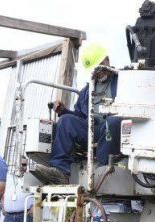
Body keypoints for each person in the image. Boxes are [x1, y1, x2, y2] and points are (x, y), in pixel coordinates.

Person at [31, 43, 121, 185]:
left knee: (113, 122)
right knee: (66, 120)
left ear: (107, 61)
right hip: (92, 129)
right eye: (95, 70)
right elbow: (80, 117)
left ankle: (102, 169)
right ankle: (60, 171)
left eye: (100, 67)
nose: (98, 73)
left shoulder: (122, 80)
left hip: (113, 129)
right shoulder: (86, 91)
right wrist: (63, 111)